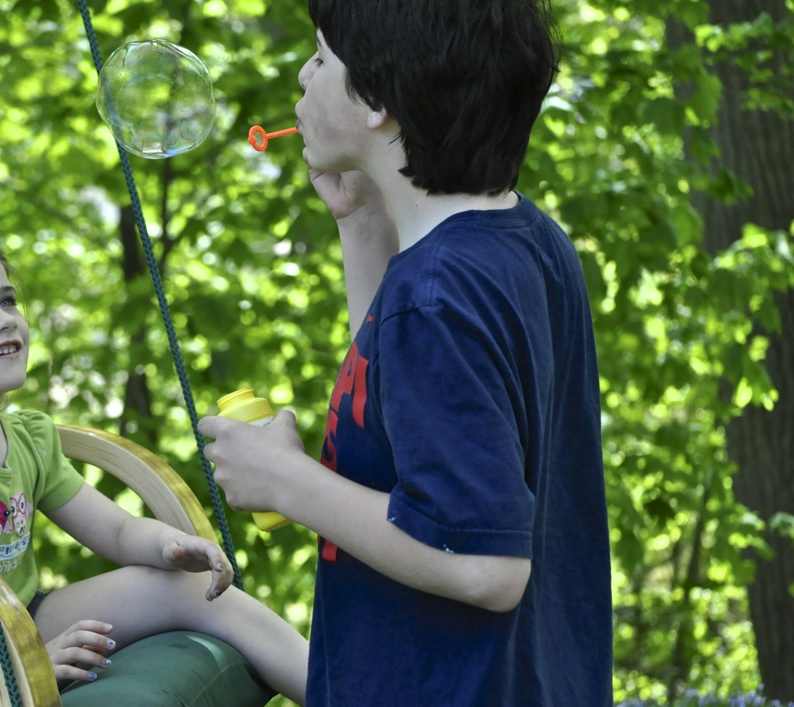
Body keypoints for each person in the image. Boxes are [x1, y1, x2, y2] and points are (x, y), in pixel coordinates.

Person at [197, 1, 613, 704]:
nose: (303, 73)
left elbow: (485, 563)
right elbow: (409, 424)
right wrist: (361, 224)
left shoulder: (436, 295)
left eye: (323, 58)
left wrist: (286, 482)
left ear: (379, 104)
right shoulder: (522, 242)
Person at [0, 215, 308, 707]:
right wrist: (25, 660)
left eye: (7, 299)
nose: (4, 318)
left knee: (184, 585)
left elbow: (116, 532)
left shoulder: (30, 438)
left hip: (16, 620)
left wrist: (169, 544)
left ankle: (340, 690)